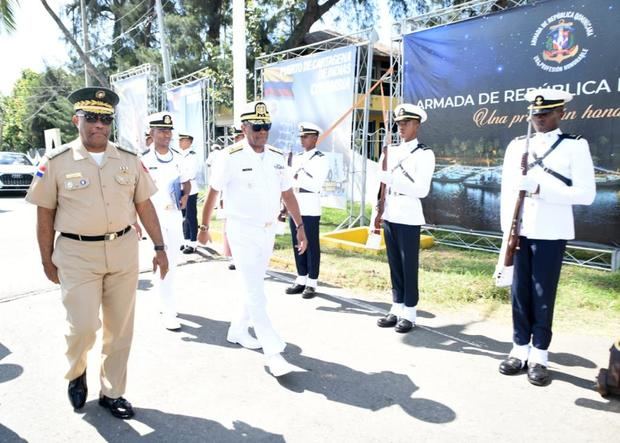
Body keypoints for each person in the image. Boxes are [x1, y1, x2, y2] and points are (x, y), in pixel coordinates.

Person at [25, 86, 169, 419]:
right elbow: (44, 213)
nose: (98, 125)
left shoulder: (129, 160)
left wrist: (160, 247)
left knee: (120, 329)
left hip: (122, 251)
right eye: (91, 118)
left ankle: (112, 391)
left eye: (104, 119)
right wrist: (46, 259)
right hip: (76, 254)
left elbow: (144, 205)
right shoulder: (57, 162)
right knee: (83, 327)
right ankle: (77, 371)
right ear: (77, 120)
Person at [198, 100, 307, 377]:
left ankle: (237, 331)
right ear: (244, 127)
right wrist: (203, 225)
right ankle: (273, 351)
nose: (262, 132)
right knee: (256, 291)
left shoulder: (276, 156)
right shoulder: (229, 156)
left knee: (254, 284)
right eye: (257, 127)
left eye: (266, 126)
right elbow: (213, 192)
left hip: (267, 230)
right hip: (242, 230)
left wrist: (300, 226)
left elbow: (288, 193)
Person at [498, 88, 596, 386]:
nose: (538, 119)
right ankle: (519, 348)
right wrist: (508, 232)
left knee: (542, 294)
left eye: (545, 114)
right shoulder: (517, 145)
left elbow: (586, 194)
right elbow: (507, 191)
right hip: (521, 231)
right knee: (518, 293)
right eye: (535, 114)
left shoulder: (575, 147)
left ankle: (539, 354)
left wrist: (541, 188)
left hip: (551, 231)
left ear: (560, 113)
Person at [375, 104, 435, 334]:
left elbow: (421, 190)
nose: (401, 127)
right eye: (399, 123)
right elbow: (381, 187)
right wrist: (377, 212)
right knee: (394, 265)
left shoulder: (424, 153)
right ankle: (396, 306)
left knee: (409, 266)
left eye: (406, 123)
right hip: (391, 211)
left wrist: (391, 179)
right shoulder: (390, 150)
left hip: (409, 213)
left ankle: (410, 311)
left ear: (417, 125)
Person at [141, 112, 191, 331]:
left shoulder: (179, 158)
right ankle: (166, 308)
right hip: (153, 218)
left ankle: (163, 298)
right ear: (151, 133)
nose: (166, 135)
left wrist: (185, 196)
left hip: (173, 216)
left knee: (172, 260)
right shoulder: (142, 160)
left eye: (169, 131)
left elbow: (186, 182)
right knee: (161, 259)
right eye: (161, 130)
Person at [285, 122, 329, 298]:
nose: (302, 140)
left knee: (310, 244)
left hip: (310, 203)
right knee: (297, 241)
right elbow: (289, 180)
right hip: (295, 203)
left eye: (306, 136)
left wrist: (297, 175)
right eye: (301, 137)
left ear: (315, 138)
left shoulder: (321, 158)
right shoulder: (297, 157)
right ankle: (301, 277)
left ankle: (312, 281)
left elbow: (315, 184)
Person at [178, 133, 200, 254]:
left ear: (189, 142)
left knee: (190, 216)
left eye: (183, 140)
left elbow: (191, 173)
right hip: (180, 188)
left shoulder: (193, 156)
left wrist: (180, 176)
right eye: (180, 140)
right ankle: (185, 240)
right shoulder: (178, 155)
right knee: (182, 216)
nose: (180, 142)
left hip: (191, 188)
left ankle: (193, 243)